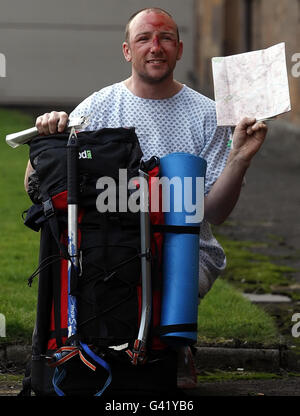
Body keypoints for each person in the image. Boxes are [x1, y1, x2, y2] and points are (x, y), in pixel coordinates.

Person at [24, 7, 268, 391]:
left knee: (161, 270)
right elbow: (34, 186)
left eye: (166, 38)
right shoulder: (98, 107)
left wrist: (240, 157)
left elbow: (216, 212)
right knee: (84, 268)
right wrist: (49, 140)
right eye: (144, 39)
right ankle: (74, 355)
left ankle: (174, 346)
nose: (156, 47)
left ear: (180, 48)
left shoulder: (208, 115)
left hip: (182, 244)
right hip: (113, 241)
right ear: (126, 50)